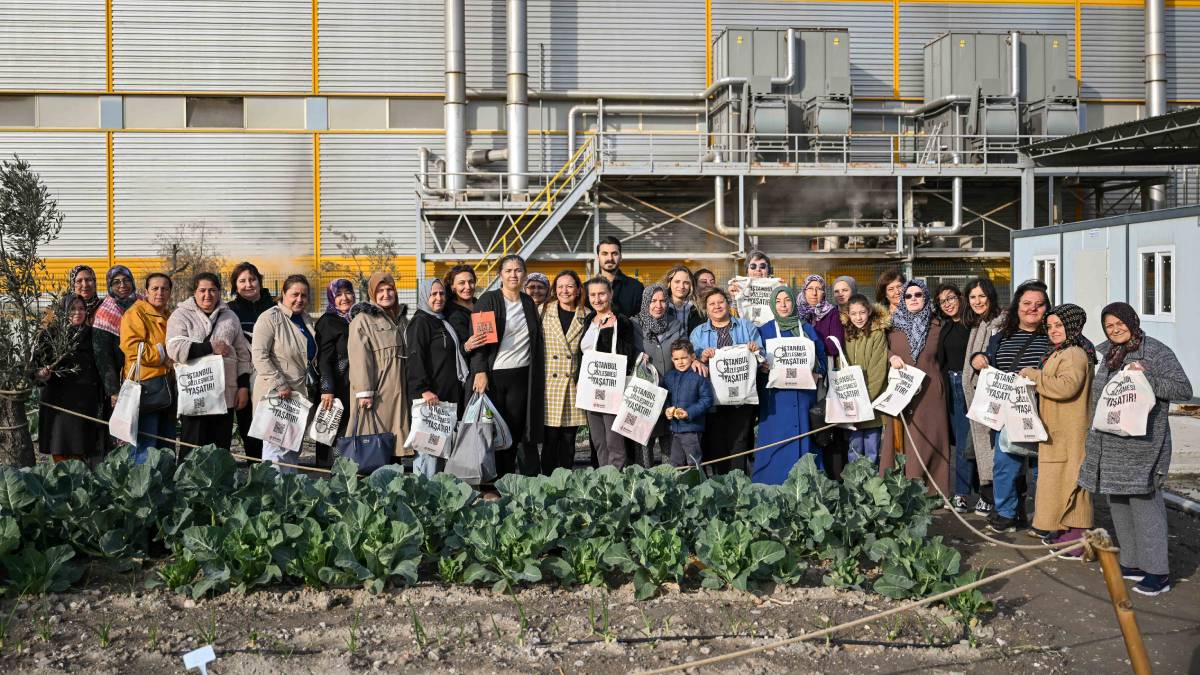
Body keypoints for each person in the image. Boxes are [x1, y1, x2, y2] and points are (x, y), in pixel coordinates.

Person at [1079, 302, 1192, 596]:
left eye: (1120, 324)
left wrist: (1147, 378)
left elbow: (1183, 390)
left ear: (1132, 321)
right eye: (1109, 326)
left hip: (1143, 446)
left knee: (1145, 506)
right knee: (1118, 504)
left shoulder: (1155, 351)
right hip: (1110, 443)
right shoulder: (1109, 355)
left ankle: (1158, 572)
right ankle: (1132, 563)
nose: (1115, 330)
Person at [973, 279, 1051, 534]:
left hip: (1043, 411)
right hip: (1008, 409)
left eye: (1039, 305)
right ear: (1017, 306)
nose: (1032, 309)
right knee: (1005, 463)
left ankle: (1046, 517)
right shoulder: (1001, 337)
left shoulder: (1053, 337)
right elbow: (987, 359)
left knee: (1044, 469)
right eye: (1027, 303)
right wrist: (979, 359)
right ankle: (1007, 512)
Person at [1018, 304, 1095, 555]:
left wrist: (1034, 376)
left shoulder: (1074, 353)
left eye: (1058, 325)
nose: (1053, 331)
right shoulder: (1062, 351)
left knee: (1071, 484)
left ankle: (1075, 543)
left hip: (1070, 432)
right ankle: (1065, 534)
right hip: (1060, 429)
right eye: (1049, 326)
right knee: (1060, 483)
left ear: (1072, 326)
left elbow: (1066, 387)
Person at [470, 255, 545, 478]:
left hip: (521, 375)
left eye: (518, 270)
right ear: (500, 274)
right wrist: (480, 371)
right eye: (509, 270)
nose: (514, 274)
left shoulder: (528, 302)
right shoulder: (489, 300)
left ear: (524, 274)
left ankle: (513, 480)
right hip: (495, 376)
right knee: (494, 431)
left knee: (514, 431)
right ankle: (494, 480)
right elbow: (479, 342)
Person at [165, 272, 252, 459]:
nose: (208, 295)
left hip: (225, 395)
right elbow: (175, 349)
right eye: (202, 290)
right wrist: (210, 346)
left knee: (220, 449)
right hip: (196, 392)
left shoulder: (230, 317)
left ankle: (220, 488)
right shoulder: (180, 316)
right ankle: (188, 487)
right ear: (194, 293)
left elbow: (243, 353)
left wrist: (243, 386)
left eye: (212, 290)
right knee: (192, 447)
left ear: (219, 292)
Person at [881, 279, 950, 496]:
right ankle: (900, 488)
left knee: (931, 437)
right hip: (902, 388)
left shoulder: (937, 325)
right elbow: (881, 349)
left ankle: (933, 491)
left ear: (926, 298)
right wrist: (891, 357)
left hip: (930, 390)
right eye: (908, 296)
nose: (913, 299)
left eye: (918, 295)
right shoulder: (891, 325)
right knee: (901, 437)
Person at [754, 286, 827, 484]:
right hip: (776, 401)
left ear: (794, 302)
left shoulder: (806, 328)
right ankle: (771, 483)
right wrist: (762, 367)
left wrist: (817, 372)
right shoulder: (764, 330)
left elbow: (821, 358)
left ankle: (806, 485)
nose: (783, 305)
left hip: (803, 397)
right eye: (778, 301)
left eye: (787, 300)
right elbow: (756, 360)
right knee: (776, 441)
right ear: (772, 304)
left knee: (804, 440)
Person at [689, 287, 763, 475]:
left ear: (728, 304)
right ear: (706, 308)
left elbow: (762, 359)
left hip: (742, 398)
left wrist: (756, 351)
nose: (717, 306)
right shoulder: (698, 333)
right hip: (712, 398)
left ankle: (738, 485)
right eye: (712, 304)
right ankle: (721, 487)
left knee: (740, 441)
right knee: (717, 443)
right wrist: (701, 358)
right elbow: (693, 363)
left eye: (720, 302)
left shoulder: (746, 327)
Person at [251, 274, 318, 471]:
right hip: (277, 394)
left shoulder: (306, 320)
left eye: (304, 295)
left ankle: (288, 496)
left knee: (292, 449)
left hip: (299, 396)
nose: (299, 299)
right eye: (294, 294)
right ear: (283, 294)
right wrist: (280, 383)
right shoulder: (270, 318)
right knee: (275, 449)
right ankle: (273, 496)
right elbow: (259, 355)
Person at [347, 273, 411, 467]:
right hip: (377, 393)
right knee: (375, 441)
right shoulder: (363, 320)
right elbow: (360, 358)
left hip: (400, 390)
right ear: (372, 293)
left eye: (389, 289)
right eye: (380, 291)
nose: (386, 294)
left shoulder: (401, 319)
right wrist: (365, 392)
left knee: (396, 440)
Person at [407, 278, 469, 477]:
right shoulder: (421, 322)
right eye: (433, 294)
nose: (438, 298)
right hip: (431, 399)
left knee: (443, 450)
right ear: (425, 296)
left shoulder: (441, 320)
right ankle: (423, 496)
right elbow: (415, 357)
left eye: (441, 293)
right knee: (428, 451)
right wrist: (423, 389)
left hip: (446, 397)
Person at [34, 294, 103, 463]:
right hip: (58, 405)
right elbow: (34, 368)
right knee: (61, 451)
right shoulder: (49, 335)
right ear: (62, 312)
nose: (78, 312)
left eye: (81, 309)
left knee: (82, 451)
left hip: (86, 404)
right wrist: (41, 374)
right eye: (72, 309)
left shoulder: (93, 335)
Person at [580, 276, 637, 469]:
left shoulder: (621, 322)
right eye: (593, 295)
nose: (597, 299)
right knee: (598, 440)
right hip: (591, 386)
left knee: (614, 440)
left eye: (602, 294)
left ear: (610, 294)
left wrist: (609, 329)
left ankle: (617, 479)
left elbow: (627, 353)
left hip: (612, 387)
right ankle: (604, 478)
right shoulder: (589, 319)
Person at [119, 273, 176, 464]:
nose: (160, 292)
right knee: (146, 446)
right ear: (146, 292)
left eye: (165, 288)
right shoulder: (135, 314)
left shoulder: (170, 315)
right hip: (146, 388)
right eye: (155, 288)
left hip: (166, 388)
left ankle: (164, 489)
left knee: (166, 445)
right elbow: (132, 349)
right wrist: (164, 355)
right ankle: (143, 488)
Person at [962, 277, 1005, 517]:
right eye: (973, 297)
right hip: (977, 394)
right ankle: (991, 497)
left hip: (994, 393)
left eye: (982, 296)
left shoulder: (1000, 322)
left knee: (999, 449)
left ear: (990, 296)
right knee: (981, 446)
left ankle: (1004, 504)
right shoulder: (977, 324)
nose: (977, 301)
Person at [632, 284, 687, 467]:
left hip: (670, 395)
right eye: (653, 301)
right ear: (646, 303)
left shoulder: (675, 325)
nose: (659, 305)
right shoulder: (634, 325)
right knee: (643, 445)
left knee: (669, 447)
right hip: (644, 396)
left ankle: (669, 485)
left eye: (663, 300)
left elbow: (684, 351)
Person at [539, 270, 587, 473]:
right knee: (550, 439)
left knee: (569, 439)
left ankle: (566, 479)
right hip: (550, 385)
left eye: (569, 286)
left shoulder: (587, 315)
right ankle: (548, 480)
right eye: (560, 286)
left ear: (577, 290)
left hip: (573, 386)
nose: (564, 290)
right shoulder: (543, 311)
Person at [935, 283, 975, 513]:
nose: (948, 303)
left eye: (951, 298)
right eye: (942, 301)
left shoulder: (973, 326)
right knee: (956, 441)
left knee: (964, 442)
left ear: (960, 298)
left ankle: (962, 494)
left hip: (966, 385)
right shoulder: (946, 326)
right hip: (949, 385)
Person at [228, 261, 274, 460]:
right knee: (249, 424)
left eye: (252, 279)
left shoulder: (274, 307)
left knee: (272, 425)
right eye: (242, 281)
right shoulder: (229, 311)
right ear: (235, 285)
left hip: (272, 376)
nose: (248, 284)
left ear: (259, 280)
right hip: (243, 376)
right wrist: (242, 383)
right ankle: (254, 468)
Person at [841, 294, 889, 464]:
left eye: (862, 312)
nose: (858, 317)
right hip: (853, 402)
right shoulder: (847, 334)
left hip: (871, 403)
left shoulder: (877, 334)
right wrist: (851, 399)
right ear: (848, 314)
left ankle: (871, 486)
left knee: (872, 449)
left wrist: (865, 400)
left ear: (869, 311)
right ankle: (855, 486)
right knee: (854, 448)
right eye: (854, 314)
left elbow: (878, 370)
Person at [315, 278, 356, 467]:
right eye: (338, 294)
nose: (344, 298)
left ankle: (347, 470)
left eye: (348, 292)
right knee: (332, 430)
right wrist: (327, 388)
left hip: (354, 385)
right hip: (335, 385)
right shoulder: (328, 321)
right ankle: (329, 471)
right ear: (331, 297)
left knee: (348, 428)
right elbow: (324, 358)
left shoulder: (358, 318)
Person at [93, 265, 139, 421]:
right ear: (109, 286)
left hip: (146, 376)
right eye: (116, 282)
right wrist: (113, 391)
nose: (122, 285)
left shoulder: (143, 304)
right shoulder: (104, 314)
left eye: (126, 280)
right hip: (122, 382)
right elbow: (103, 357)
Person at [663, 340, 714, 468]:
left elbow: (707, 400)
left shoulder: (700, 375)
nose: (680, 362)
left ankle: (699, 485)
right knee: (676, 463)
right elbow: (665, 397)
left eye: (684, 358)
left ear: (692, 357)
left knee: (694, 462)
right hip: (675, 429)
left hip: (692, 429)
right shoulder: (669, 377)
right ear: (672, 359)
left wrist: (689, 413)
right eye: (676, 359)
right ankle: (679, 487)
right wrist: (667, 410)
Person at [797, 274, 846, 363]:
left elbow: (835, 346)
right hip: (799, 365)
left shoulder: (832, 313)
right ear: (804, 291)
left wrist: (807, 349)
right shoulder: (796, 312)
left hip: (824, 365)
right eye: (810, 288)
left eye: (819, 289)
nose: (814, 293)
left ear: (823, 293)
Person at [596, 236, 644, 316]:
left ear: (621, 257)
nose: (610, 258)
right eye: (605, 254)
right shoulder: (586, 289)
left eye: (614, 253)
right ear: (598, 257)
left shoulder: (636, 288)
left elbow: (642, 320)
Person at [660, 264, 704, 333]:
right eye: (677, 282)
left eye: (686, 283)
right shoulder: (660, 307)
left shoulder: (698, 309)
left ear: (691, 285)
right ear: (669, 283)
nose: (681, 286)